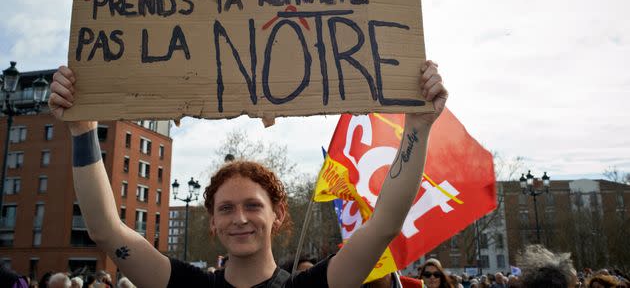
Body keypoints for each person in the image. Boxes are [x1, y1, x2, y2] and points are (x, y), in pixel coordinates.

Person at [48, 60, 447, 288]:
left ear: (278, 214)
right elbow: (104, 230)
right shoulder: (188, 287)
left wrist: (417, 128)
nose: (239, 218)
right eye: (226, 209)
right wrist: (82, 132)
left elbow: (384, 225)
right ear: (213, 223)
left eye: (253, 205)